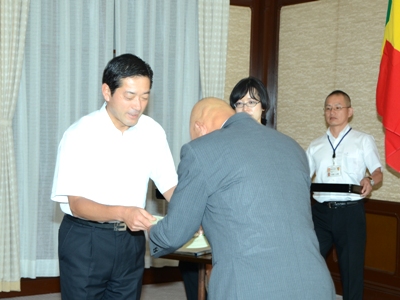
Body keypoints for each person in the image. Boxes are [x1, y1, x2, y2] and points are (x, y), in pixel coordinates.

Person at [149, 97, 336, 299]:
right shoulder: (293, 147)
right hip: (316, 284)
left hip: (250, 287)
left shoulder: (200, 150)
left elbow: (174, 233)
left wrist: (151, 230)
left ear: (199, 128)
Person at [51, 53, 177, 300]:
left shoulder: (152, 131)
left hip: (131, 241)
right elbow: (76, 204)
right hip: (86, 239)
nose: (137, 106)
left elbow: (170, 184)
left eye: (144, 96)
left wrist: (192, 215)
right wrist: (124, 213)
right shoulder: (79, 134)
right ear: (107, 92)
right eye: (129, 96)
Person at [179, 76, 269, 299]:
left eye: (251, 102)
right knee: (189, 262)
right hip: (221, 219)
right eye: (238, 104)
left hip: (254, 229)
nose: (244, 109)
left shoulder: (273, 145)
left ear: (264, 109)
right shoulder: (220, 143)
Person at [306, 90, 383, 300]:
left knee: (351, 272)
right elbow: (303, 177)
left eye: (338, 107)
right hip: (320, 213)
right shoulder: (316, 145)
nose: (332, 112)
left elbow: (378, 172)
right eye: (328, 108)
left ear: (350, 111)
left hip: (350, 213)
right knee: (308, 262)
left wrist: (370, 180)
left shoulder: (363, 140)